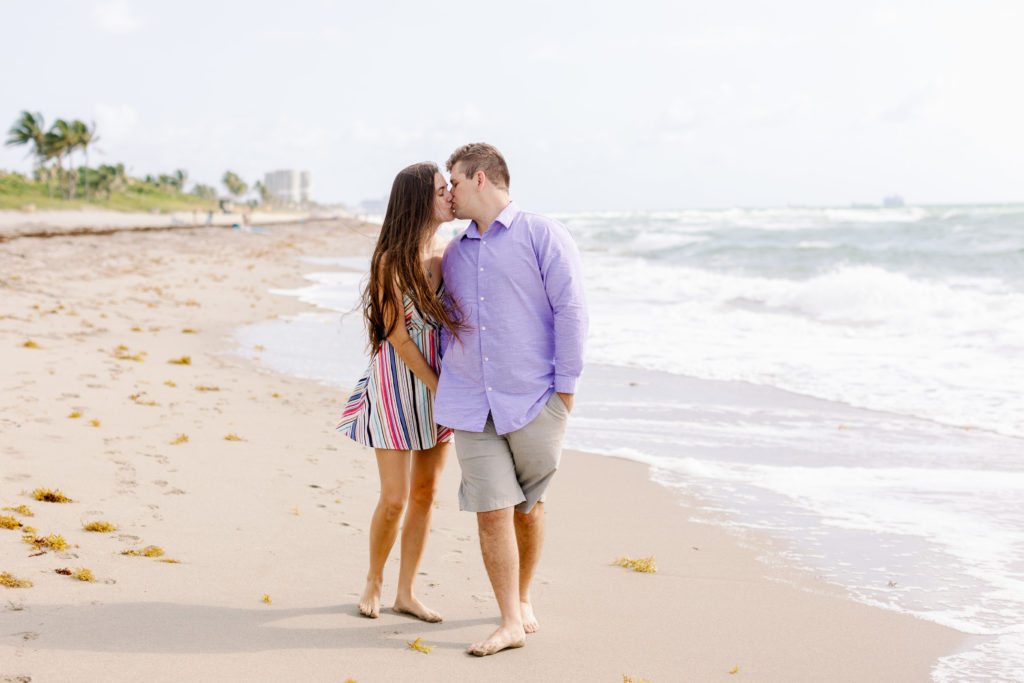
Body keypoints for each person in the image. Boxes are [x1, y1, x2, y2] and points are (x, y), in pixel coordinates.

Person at [435, 143, 588, 655]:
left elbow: (571, 312)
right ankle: (508, 622)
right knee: (491, 511)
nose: (449, 192)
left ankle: (522, 598)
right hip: (472, 403)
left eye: (453, 181)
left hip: (534, 399)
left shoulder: (542, 233)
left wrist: (563, 393)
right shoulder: (454, 252)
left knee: (528, 508)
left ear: (480, 178)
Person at [337, 161, 461, 623]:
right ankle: (374, 578)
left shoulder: (452, 252)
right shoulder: (392, 259)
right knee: (394, 497)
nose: (450, 194)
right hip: (398, 382)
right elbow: (398, 337)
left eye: (450, 186)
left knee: (426, 493)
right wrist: (439, 386)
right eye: (441, 189)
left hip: (441, 383)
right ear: (418, 201)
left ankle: (406, 592)